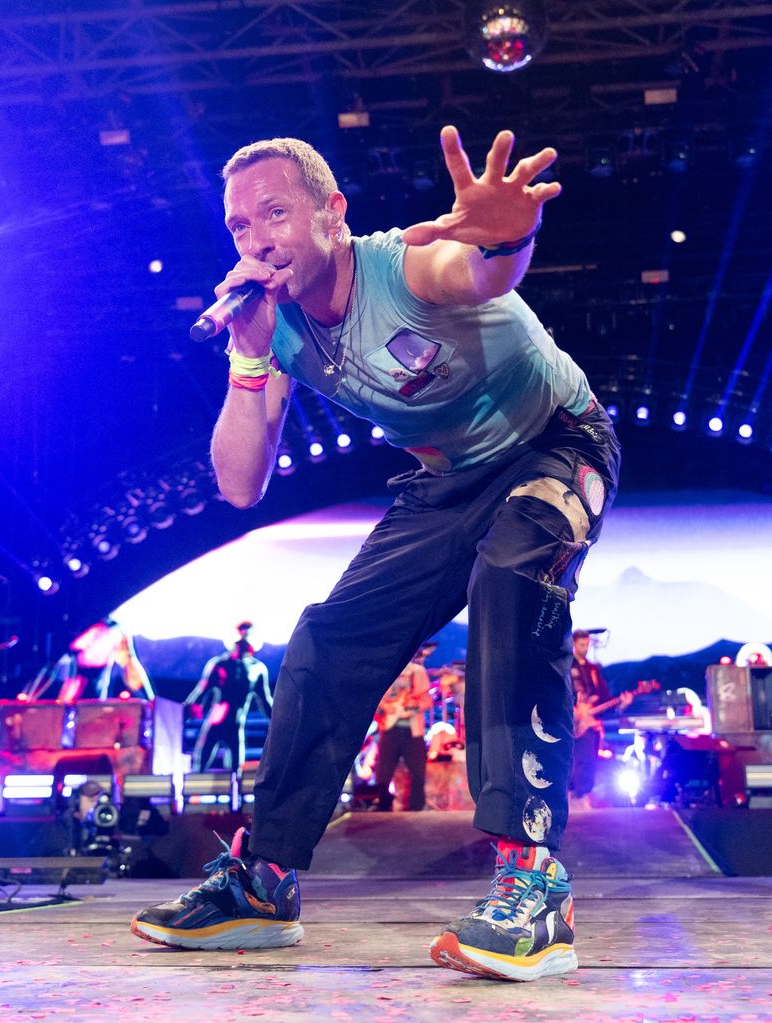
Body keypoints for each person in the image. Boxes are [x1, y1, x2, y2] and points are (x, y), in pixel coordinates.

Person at [131, 124, 620, 982]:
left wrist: (506, 233)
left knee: (511, 579)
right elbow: (239, 484)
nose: (258, 239)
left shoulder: (405, 266)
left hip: (554, 444)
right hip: (445, 482)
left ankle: (535, 886)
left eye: (277, 213)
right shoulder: (274, 327)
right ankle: (263, 882)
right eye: (241, 227)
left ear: (333, 216)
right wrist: (248, 358)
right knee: (328, 639)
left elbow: (476, 268)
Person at [185, 622, 272, 772]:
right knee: (200, 766)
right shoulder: (219, 664)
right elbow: (201, 692)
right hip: (215, 722)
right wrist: (184, 710)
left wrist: (282, 720)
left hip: (236, 724)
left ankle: (233, 794)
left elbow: (265, 701)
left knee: (236, 771)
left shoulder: (257, 669)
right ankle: (192, 794)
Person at [570, 629, 632, 810]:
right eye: (582, 644)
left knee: (588, 759)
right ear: (574, 644)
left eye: (587, 644)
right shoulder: (566, 666)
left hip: (590, 724)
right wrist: (572, 709)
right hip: (572, 720)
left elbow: (604, 698)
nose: (585, 648)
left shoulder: (593, 670)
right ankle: (572, 796)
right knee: (574, 760)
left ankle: (582, 795)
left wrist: (621, 703)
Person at [373, 657, 434, 811]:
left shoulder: (418, 671)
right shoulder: (388, 667)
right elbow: (377, 698)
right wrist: (386, 707)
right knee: (384, 770)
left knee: (418, 770)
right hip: (390, 728)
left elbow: (427, 700)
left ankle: (417, 806)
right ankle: (383, 804)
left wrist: (415, 706)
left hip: (413, 730)